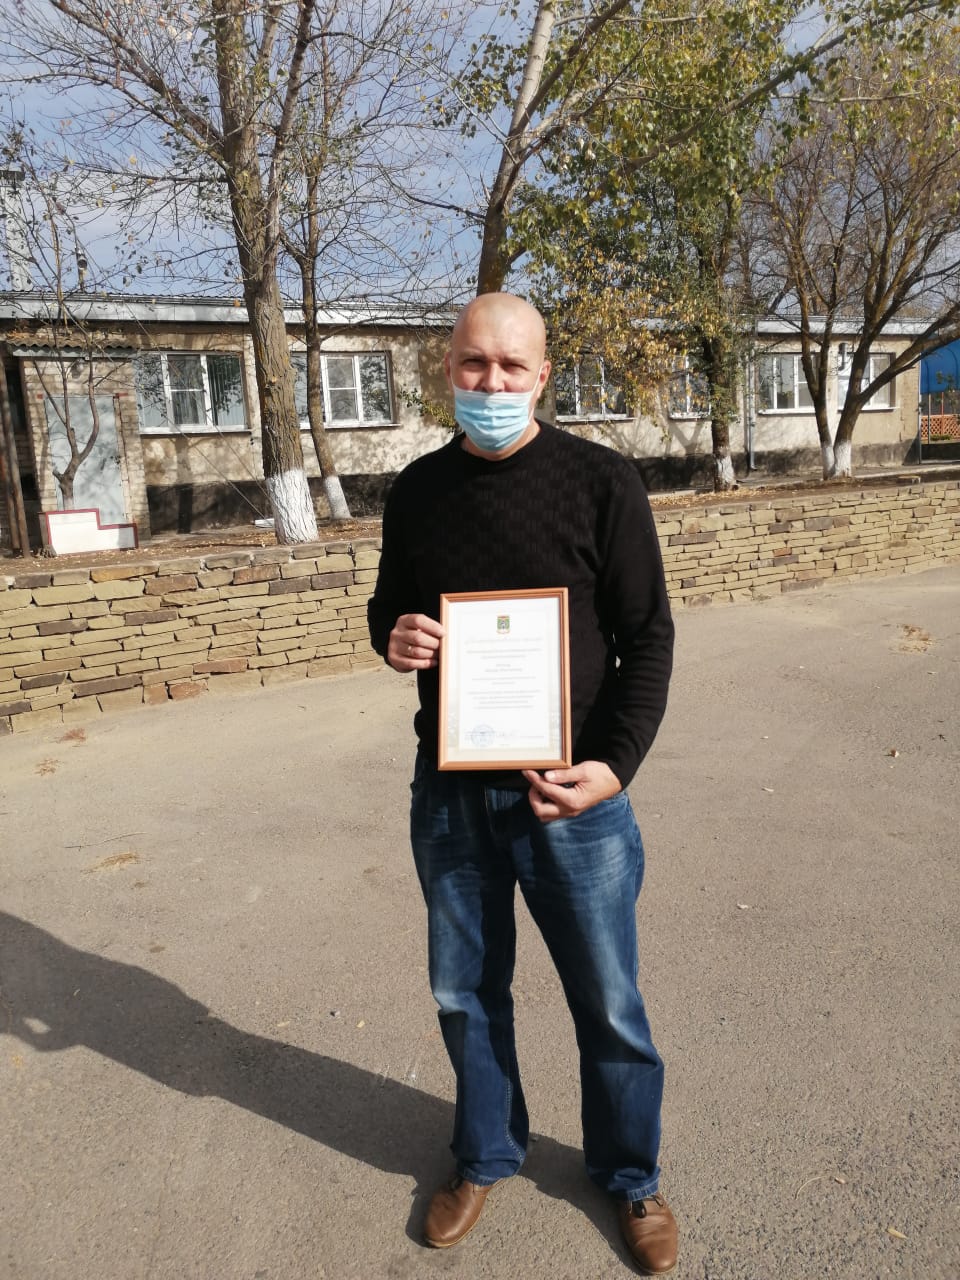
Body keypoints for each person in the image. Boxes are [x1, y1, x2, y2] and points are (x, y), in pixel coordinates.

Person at [367, 292, 677, 1275]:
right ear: (447, 370)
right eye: (474, 364)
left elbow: (647, 637)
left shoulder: (601, 481)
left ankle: (629, 1172)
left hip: (571, 796)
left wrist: (613, 767)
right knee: (465, 992)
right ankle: (486, 1152)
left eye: (511, 366)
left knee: (609, 999)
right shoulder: (418, 491)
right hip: (452, 794)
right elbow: (389, 608)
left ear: (544, 374)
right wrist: (393, 636)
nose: (491, 382)